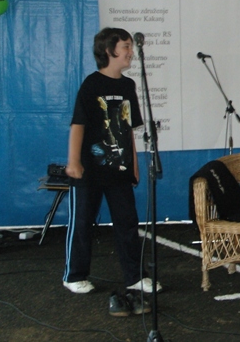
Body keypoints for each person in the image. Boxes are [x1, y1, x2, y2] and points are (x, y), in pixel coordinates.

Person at [63, 28, 160, 312]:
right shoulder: (91, 85)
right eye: (125, 46)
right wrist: (73, 162)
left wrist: (134, 164)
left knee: (127, 221)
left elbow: (128, 129)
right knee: (83, 221)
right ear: (109, 51)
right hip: (90, 168)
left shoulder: (128, 86)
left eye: (130, 46)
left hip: (119, 167)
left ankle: (135, 276)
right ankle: (74, 275)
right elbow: (78, 125)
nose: (130, 51)